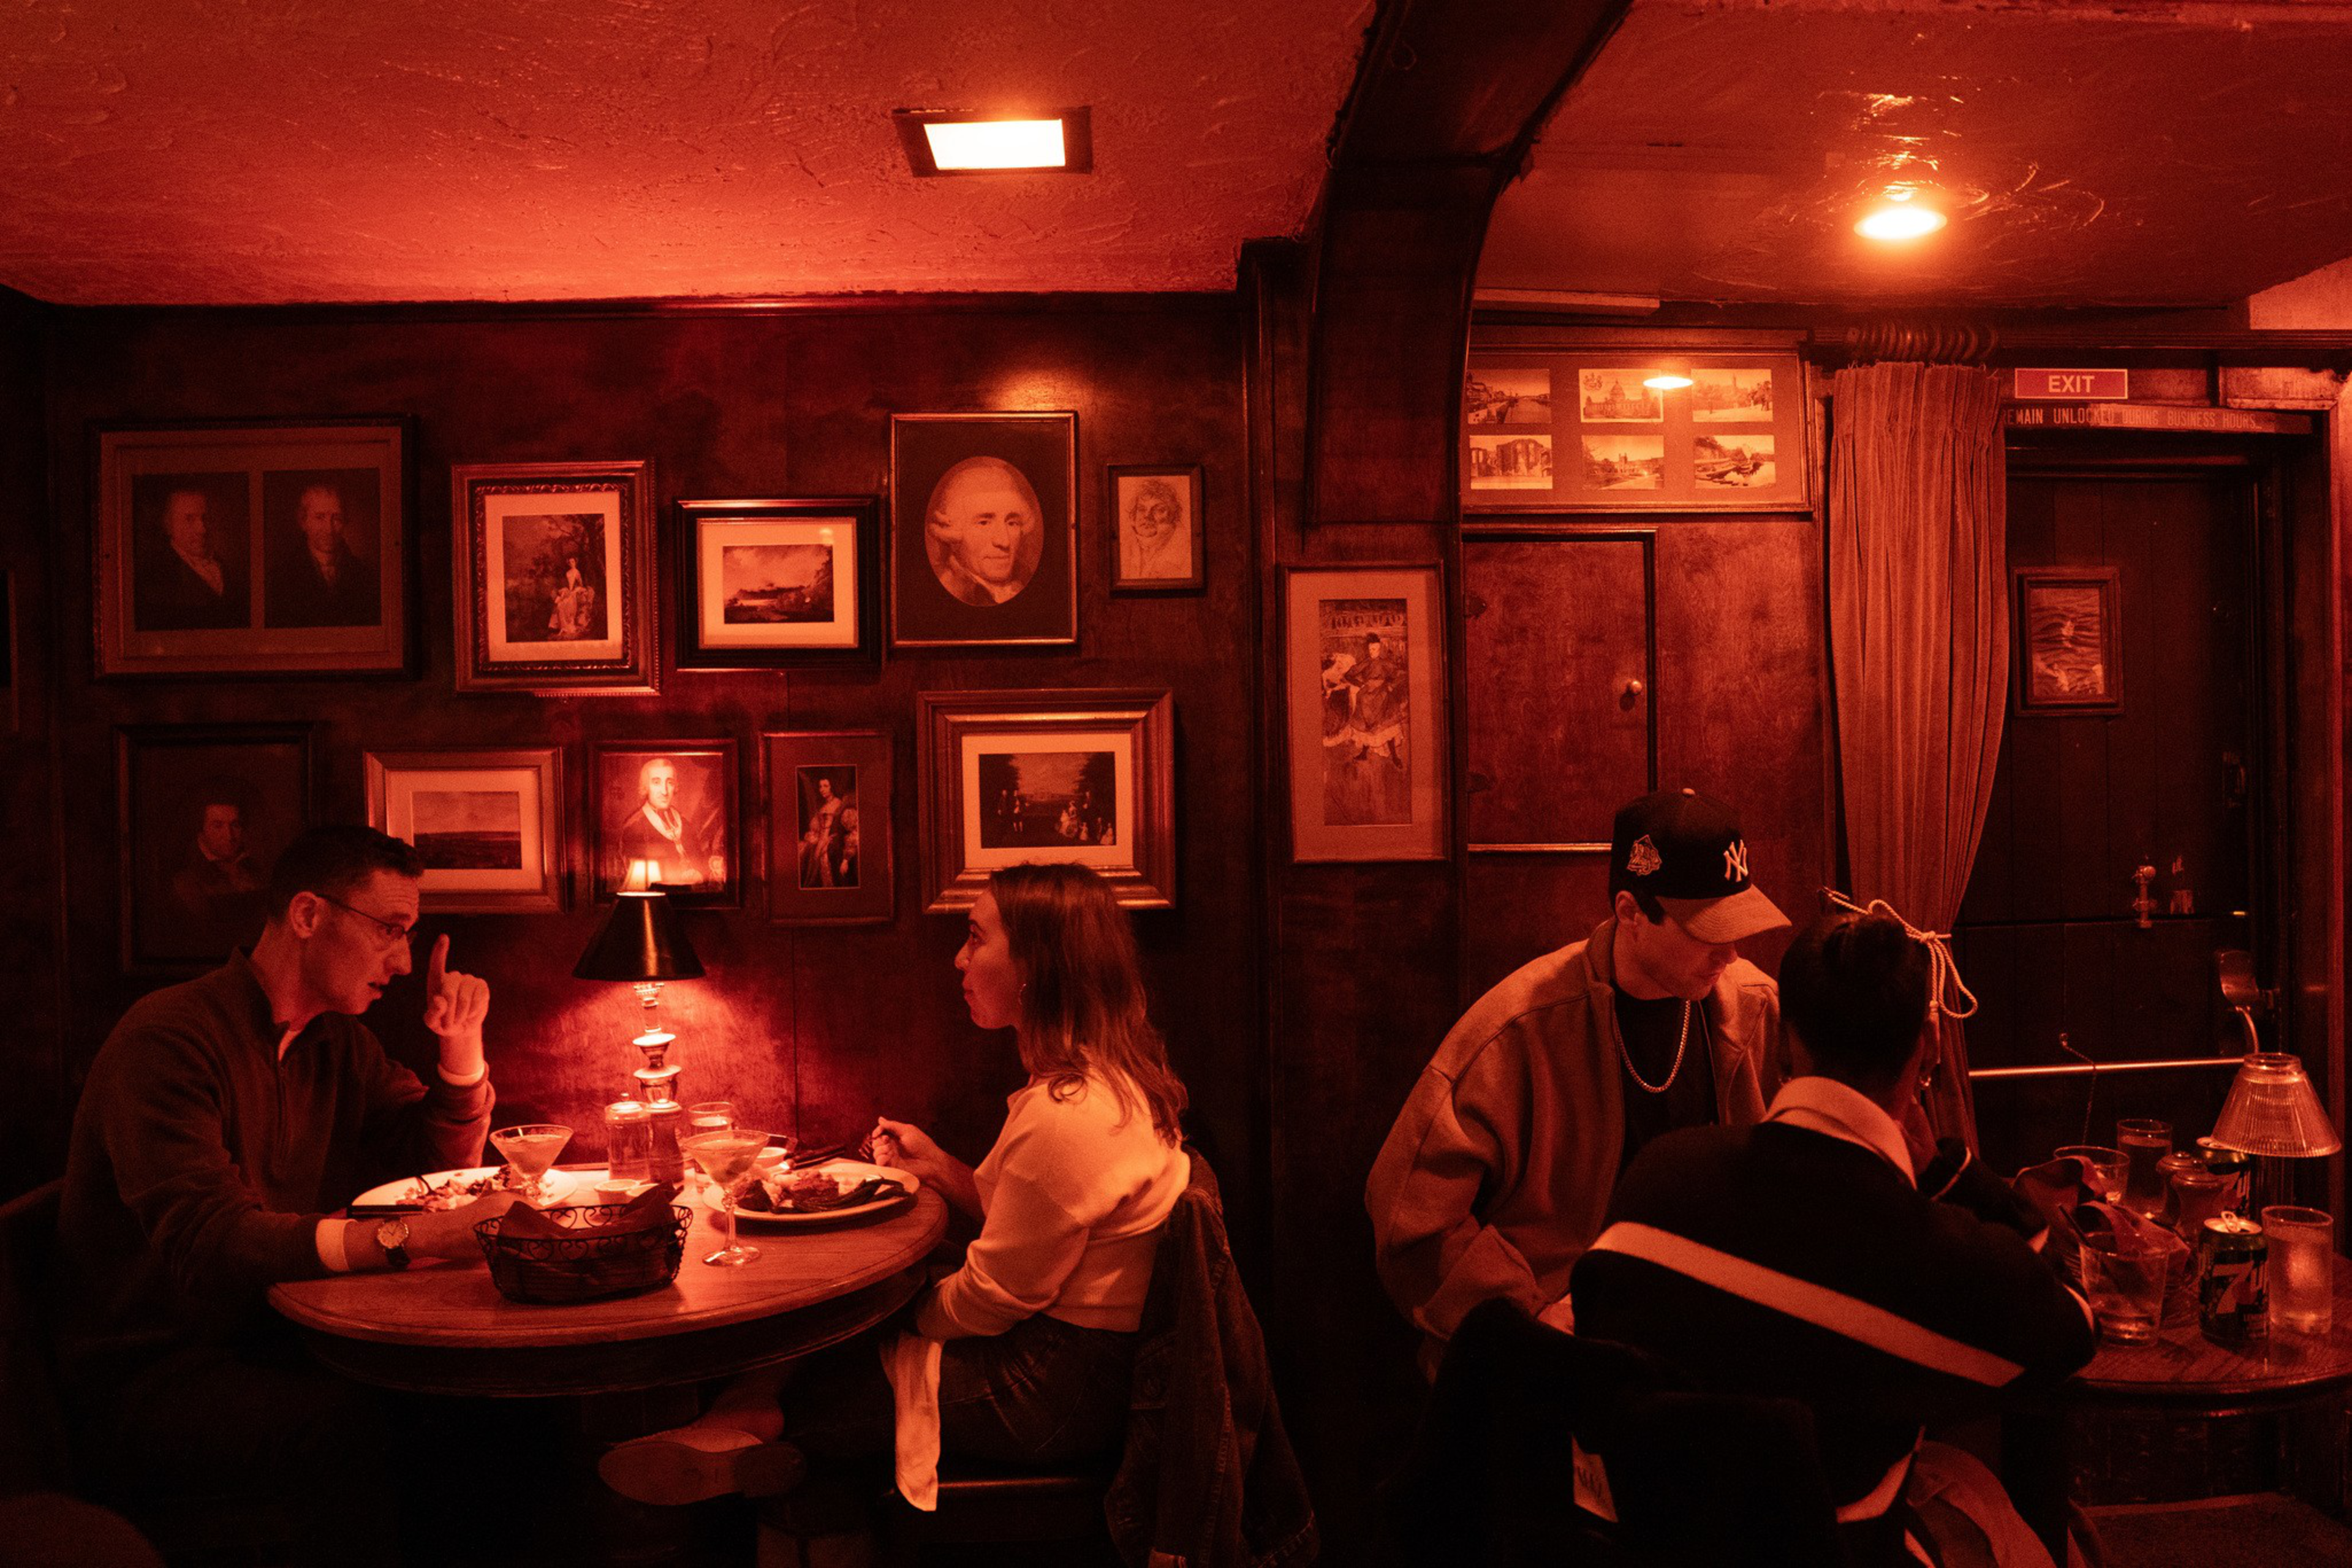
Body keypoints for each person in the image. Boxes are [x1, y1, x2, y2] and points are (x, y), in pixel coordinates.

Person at [599, 862, 1190, 1506]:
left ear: (1035, 965)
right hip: (1083, 1360)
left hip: (1053, 1387)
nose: (958, 960)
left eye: (975, 937)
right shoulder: (1102, 1083)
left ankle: (744, 1430)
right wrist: (936, 1165)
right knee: (836, 1318)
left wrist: (891, 1314)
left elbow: (993, 1299)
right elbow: (1040, 1223)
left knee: (831, 1357)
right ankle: (744, 1420)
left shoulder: (1068, 1114)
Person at [1568, 908, 2097, 1567]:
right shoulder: (1927, 1257)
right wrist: (1950, 1173)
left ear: (1785, 1042)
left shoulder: (1657, 1177)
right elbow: (2072, 1323)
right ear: (1928, 1044)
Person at [53, 825, 518, 1557]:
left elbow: (428, 1163)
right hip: (158, 1375)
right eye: (389, 930)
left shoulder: (335, 1041)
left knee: (477, 1405)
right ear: (308, 915)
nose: (402, 961)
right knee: (366, 1423)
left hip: (276, 1337)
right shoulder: (168, 1037)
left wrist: (461, 1050)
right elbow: (209, 1239)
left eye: (409, 935)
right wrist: (415, 1239)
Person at [1365, 786, 1789, 1376]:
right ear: (1630, 913)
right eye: (1707, 931)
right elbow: (1408, 1215)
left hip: (1699, 1337)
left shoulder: (1754, 1009)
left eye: (1737, 925)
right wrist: (1525, 1315)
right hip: (1554, 1347)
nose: (1730, 951)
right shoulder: (1520, 1027)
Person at [925, 455, 1042, 607]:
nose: (1003, 541)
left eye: (1012, 523)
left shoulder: (1028, 587)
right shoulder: (942, 594)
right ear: (952, 532)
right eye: (984, 523)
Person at [265, 480, 379, 628]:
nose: (329, 529)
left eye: (336, 518)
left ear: (345, 522)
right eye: (320, 517)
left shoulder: (365, 576)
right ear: (303, 522)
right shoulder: (280, 579)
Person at [133, 485, 244, 630]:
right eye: (190, 519)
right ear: (169, 525)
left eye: (205, 518)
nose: (202, 529)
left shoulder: (222, 566)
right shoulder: (157, 575)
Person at [614, 756, 725, 889]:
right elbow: (637, 882)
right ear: (646, 787)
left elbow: (700, 862)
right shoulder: (634, 827)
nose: (664, 791)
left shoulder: (684, 823)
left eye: (670, 782)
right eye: (656, 782)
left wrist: (700, 875)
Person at [168, 793, 265, 930]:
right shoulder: (186, 882)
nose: (229, 835)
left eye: (235, 825)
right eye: (218, 826)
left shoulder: (255, 873)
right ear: (201, 832)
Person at [1119, 476, 1190, 581]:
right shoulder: (1124, 547)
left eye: (1158, 510)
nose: (1147, 515)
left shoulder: (1186, 552)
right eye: (1142, 509)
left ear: (1172, 515)